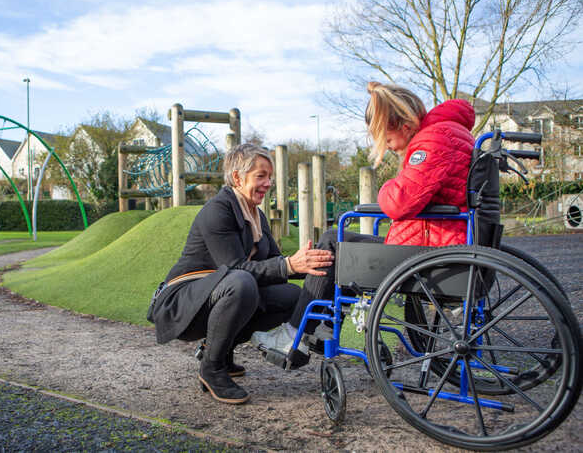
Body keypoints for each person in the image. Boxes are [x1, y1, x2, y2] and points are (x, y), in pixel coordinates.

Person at [251, 81, 476, 356]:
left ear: (404, 125)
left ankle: (295, 334)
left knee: (334, 241)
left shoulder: (432, 141)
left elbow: (400, 201)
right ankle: (316, 330)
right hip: (437, 239)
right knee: (337, 242)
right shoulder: (450, 133)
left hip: (430, 252)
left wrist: (385, 189)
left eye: (388, 139)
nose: (390, 148)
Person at [148, 144, 333, 404]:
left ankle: (221, 351)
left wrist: (317, 263)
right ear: (237, 177)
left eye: (270, 177)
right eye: (261, 176)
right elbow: (234, 267)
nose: (268, 183)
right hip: (183, 302)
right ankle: (211, 367)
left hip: (218, 296)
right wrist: (290, 264)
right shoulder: (218, 210)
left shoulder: (257, 216)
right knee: (242, 283)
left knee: (292, 296)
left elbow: (274, 266)